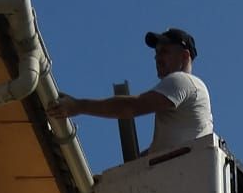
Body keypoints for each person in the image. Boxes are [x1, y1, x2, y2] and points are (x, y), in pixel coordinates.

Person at [46, 27, 212, 155]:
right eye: (156, 53)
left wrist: (78, 106)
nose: (157, 58)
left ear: (184, 56)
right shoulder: (194, 91)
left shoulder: (183, 81)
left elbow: (132, 107)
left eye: (164, 52)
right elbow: (164, 150)